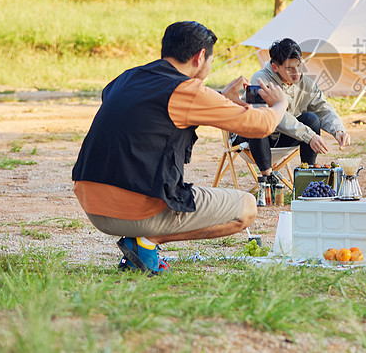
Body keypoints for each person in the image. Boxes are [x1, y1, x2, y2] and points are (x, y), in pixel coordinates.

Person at [72, 21, 288, 275]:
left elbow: (149, 111)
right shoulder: (186, 89)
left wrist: (219, 97)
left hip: (92, 203)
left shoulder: (127, 77)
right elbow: (260, 126)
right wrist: (281, 102)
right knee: (246, 208)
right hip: (134, 210)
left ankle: (141, 241)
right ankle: (147, 241)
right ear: (200, 57)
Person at [237, 38, 350, 184]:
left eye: (299, 65)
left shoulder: (305, 84)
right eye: (289, 68)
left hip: (283, 138)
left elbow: (322, 108)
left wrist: (338, 130)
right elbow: (269, 116)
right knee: (259, 121)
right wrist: (309, 136)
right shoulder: (260, 79)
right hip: (254, 139)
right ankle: (268, 179)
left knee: (312, 119)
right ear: (275, 67)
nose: (296, 73)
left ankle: (308, 173)